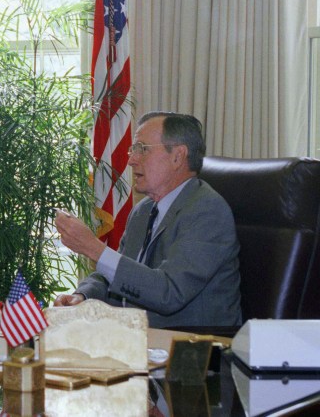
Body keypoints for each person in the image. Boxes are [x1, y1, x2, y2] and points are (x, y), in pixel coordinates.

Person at [54, 112, 241, 328]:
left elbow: (169, 293)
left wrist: (93, 248)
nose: (132, 160)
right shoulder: (143, 210)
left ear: (178, 156)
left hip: (193, 349)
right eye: (133, 150)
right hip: (140, 340)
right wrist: (84, 296)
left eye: (142, 149)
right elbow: (117, 274)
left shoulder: (207, 211)